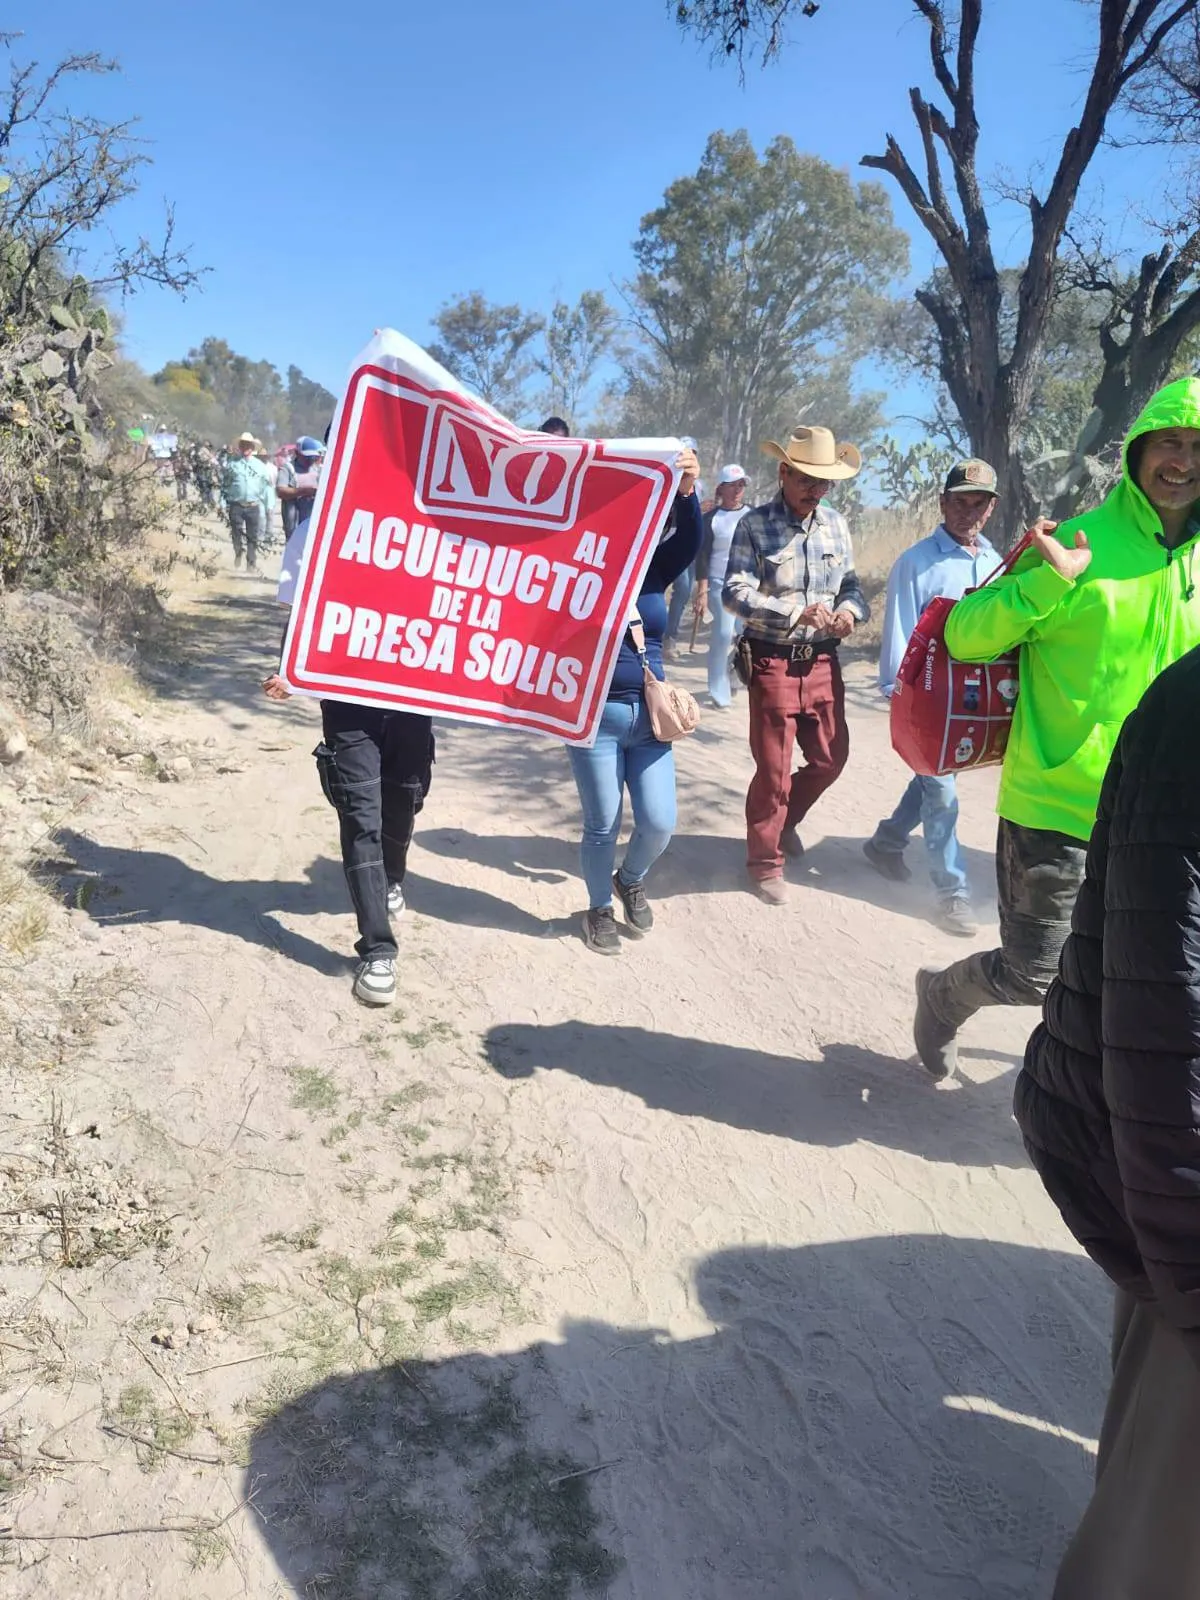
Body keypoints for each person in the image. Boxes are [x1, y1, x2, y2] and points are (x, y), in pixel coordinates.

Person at [913, 377, 1200, 1079]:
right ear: (1137, 451)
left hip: (1164, 819)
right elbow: (966, 636)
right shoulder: (1079, 540)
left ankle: (1092, 1106)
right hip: (1059, 808)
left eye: (1198, 448)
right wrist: (1052, 582)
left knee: (1144, 979)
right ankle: (943, 995)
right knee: (1033, 975)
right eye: (1169, 442)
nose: (1183, 462)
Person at [1015, 643, 1200, 1597]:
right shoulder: (1075, 556)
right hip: (1050, 811)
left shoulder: (1184, 570)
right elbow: (1168, 1020)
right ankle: (944, 994)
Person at [264, 502, 433, 1010]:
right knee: (360, 817)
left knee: (404, 800)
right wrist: (291, 669)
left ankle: (393, 879)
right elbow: (298, 610)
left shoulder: (429, 528)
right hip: (348, 704)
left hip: (412, 698)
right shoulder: (314, 532)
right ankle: (378, 951)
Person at [722, 424, 868, 906]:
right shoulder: (754, 525)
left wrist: (848, 613)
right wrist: (791, 612)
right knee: (774, 771)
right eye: (806, 479)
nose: (815, 490)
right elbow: (734, 592)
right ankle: (764, 862)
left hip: (823, 660)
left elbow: (850, 585)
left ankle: (784, 824)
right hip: (772, 660)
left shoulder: (837, 525)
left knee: (830, 759)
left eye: (823, 482)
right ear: (784, 472)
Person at [568, 445, 701, 953]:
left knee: (659, 822)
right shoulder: (571, 568)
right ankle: (599, 907)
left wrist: (687, 494)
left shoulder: (652, 568)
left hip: (650, 718)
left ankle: (630, 877)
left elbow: (688, 540)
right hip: (592, 717)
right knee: (601, 824)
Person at [864, 460, 1002, 937]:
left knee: (933, 777)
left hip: (970, 702)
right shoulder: (917, 561)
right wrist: (895, 692)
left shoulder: (994, 561)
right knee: (941, 791)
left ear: (990, 509)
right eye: (959, 501)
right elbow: (900, 631)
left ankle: (887, 842)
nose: (968, 511)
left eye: (978, 503)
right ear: (942, 503)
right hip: (926, 698)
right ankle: (952, 892)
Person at [692, 463, 750, 709]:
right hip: (718, 585)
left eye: (741, 484)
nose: (738, 489)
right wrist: (702, 592)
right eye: (733, 485)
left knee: (744, 635)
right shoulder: (710, 520)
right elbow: (702, 558)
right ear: (722, 488)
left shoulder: (754, 516)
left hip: (748, 584)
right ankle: (718, 691)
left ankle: (734, 672)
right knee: (723, 634)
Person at [662, 436, 702, 657]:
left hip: (688, 541)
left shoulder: (699, 485)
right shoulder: (664, 479)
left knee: (684, 590)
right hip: (665, 541)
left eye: (693, 453)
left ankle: (670, 636)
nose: (689, 457)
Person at [221, 432, 267, 571]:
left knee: (252, 536)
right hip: (236, 505)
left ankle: (251, 562)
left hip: (253, 505)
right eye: (243, 445)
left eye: (249, 445)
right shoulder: (232, 464)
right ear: (240, 447)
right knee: (236, 533)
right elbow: (225, 484)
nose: (246, 448)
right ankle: (238, 552)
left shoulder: (260, 466)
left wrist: (263, 503)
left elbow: (264, 486)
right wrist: (222, 502)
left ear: (252, 448)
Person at [276, 436, 324, 538]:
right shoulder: (288, 468)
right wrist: (303, 491)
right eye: (306, 456)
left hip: (312, 517)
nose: (309, 459)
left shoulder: (319, 470)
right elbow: (281, 491)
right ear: (297, 453)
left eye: (312, 456)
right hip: (294, 518)